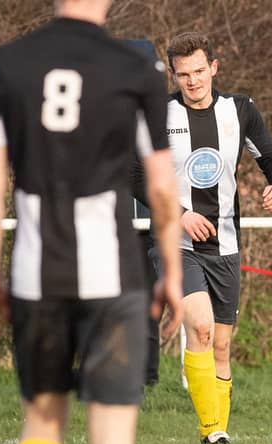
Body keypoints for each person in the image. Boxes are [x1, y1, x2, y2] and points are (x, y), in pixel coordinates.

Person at [0, 1, 182, 444]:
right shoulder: (136, 67)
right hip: (115, 280)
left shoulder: (8, 62)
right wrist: (171, 271)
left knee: (42, 427)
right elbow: (162, 187)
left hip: (36, 275)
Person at [157, 31, 272, 444]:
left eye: (199, 71)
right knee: (200, 326)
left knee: (222, 345)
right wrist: (180, 215)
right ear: (174, 77)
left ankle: (218, 431)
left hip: (227, 244)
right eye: (183, 75)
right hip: (175, 243)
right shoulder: (159, 116)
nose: (192, 81)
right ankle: (212, 430)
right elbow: (133, 175)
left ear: (214, 67)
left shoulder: (240, 110)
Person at [127, 37, 162, 387]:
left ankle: (148, 376)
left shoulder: (166, 115)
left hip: (156, 224)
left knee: (151, 303)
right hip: (114, 225)